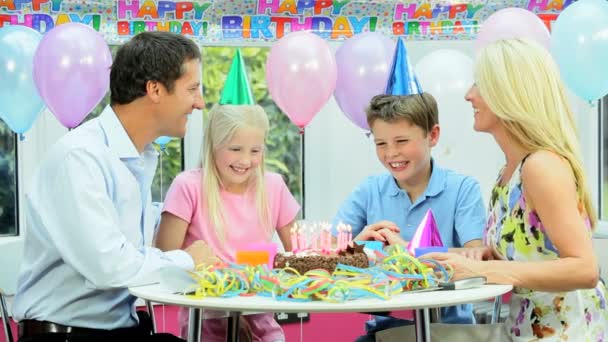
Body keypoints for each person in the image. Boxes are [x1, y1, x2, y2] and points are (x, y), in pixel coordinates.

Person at [12, 31, 209, 342]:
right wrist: (188, 260)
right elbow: (109, 266)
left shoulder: (140, 158)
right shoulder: (80, 157)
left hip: (118, 330)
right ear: (155, 89)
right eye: (193, 89)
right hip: (66, 336)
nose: (200, 102)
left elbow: (138, 253)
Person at [420, 38, 608, 341]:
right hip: (524, 330)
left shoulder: (541, 166)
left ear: (508, 93)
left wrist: (485, 271)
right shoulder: (509, 174)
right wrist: (407, 252)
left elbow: (585, 269)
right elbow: (529, 256)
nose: (469, 95)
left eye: (480, 85)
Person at [333, 93, 487, 342]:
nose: (391, 153)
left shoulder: (462, 189)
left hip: (447, 331)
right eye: (381, 144)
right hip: (385, 332)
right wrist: (355, 246)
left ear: (433, 136)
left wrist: (409, 251)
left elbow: (477, 257)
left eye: (401, 141)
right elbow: (327, 255)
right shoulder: (369, 190)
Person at [155, 104, 300, 342]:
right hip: (205, 320)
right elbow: (164, 261)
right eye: (235, 149)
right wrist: (230, 309)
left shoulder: (273, 186)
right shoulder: (188, 187)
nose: (246, 160)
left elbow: (303, 254)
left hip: (262, 318)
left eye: (256, 151)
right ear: (213, 146)